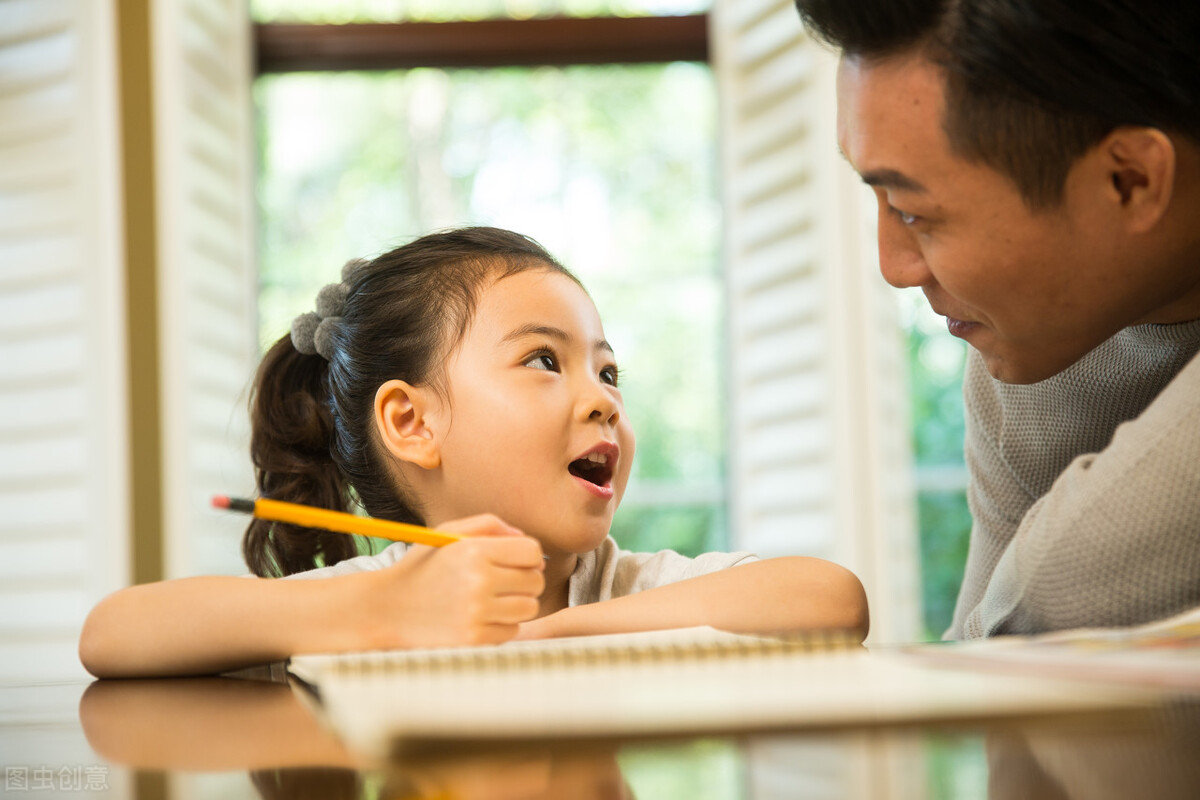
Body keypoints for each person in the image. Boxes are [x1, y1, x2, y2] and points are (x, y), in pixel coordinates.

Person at [79, 227, 868, 678]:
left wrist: (543, 638)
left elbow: (830, 600)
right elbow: (113, 634)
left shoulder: (625, 591)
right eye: (543, 361)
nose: (605, 399)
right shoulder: (379, 600)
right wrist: (382, 613)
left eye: (608, 370)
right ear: (412, 422)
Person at [791, 0, 1200, 638]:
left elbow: (1055, 590)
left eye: (911, 210)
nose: (894, 267)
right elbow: (984, 665)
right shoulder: (1027, 361)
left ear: (1131, 180)